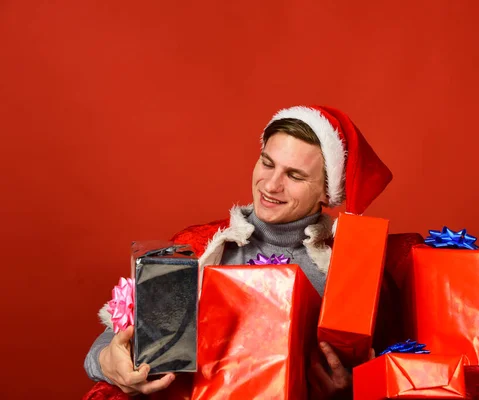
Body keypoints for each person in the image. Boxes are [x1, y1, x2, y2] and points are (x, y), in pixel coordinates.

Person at [84, 105, 394, 399]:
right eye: (267, 163)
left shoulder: (346, 270)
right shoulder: (201, 246)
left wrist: (350, 391)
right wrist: (110, 361)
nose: (271, 185)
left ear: (328, 190)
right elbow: (105, 352)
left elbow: (389, 369)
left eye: (295, 176)